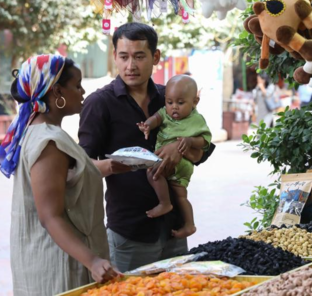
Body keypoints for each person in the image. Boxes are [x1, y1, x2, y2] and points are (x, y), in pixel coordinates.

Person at [78, 23, 215, 272]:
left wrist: (180, 148)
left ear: (156, 57)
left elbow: (202, 150)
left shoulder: (171, 97)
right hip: (130, 231)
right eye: (124, 56)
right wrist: (113, 165)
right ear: (115, 58)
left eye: (139, 56)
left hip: (174, 228)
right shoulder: (99, 103)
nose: (131, 65)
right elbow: (81, 167)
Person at [0, 55, 121, 296]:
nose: (83, 91)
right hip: (59, 263)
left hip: (56, 255)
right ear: (56, 92)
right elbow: (50, 216)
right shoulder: (49, 141)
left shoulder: (38, 130)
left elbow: (67, 176)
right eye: (77, 85)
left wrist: (112, 166)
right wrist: (92, 261)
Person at [137, 75, 212, 238]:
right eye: (169, 102)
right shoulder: (166, 113)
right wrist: (147, 126)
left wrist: (190, 141)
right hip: (172, 160)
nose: (174, 108)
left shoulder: (196, 120)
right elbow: (156, 118)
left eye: (180, 103)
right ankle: (189, 224)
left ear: (195, 102)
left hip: (183, 162)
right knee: (181, 195)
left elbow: (205, 140)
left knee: (152, 172)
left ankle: (164, 203)